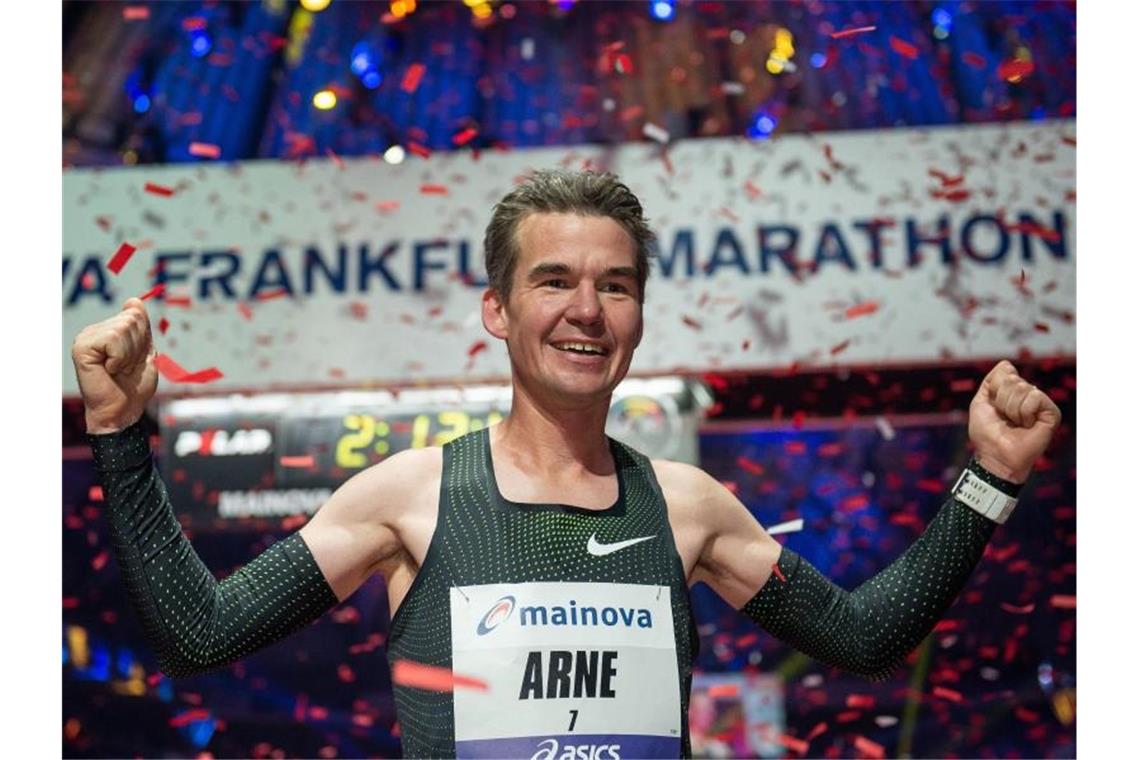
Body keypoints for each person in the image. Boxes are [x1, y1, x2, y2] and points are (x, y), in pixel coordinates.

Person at [73, 170, 1061, 759]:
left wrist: (988, 477)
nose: (586, 310)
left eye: (614, 285)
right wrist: (122, 434)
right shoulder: (408, 496)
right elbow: (202, 632)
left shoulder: (691, 508)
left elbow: (863, 635)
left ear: (637, 313)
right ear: (497, 311)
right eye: (555, 280)